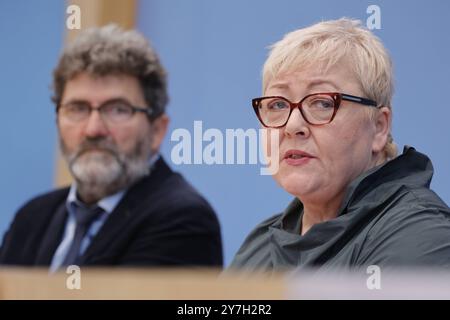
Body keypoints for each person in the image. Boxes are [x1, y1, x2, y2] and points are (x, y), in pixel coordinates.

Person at [230, 18, 450, 271]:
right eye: (278, 104)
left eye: (323, 103)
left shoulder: (421, 236)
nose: (292, 126)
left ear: (379, 127)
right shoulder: (259, 245)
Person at [0, 25, 223, 270]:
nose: (93, 129)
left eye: (118, 109)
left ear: (157, 130)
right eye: (78, 108)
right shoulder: (32, 218)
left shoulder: (183, 220)